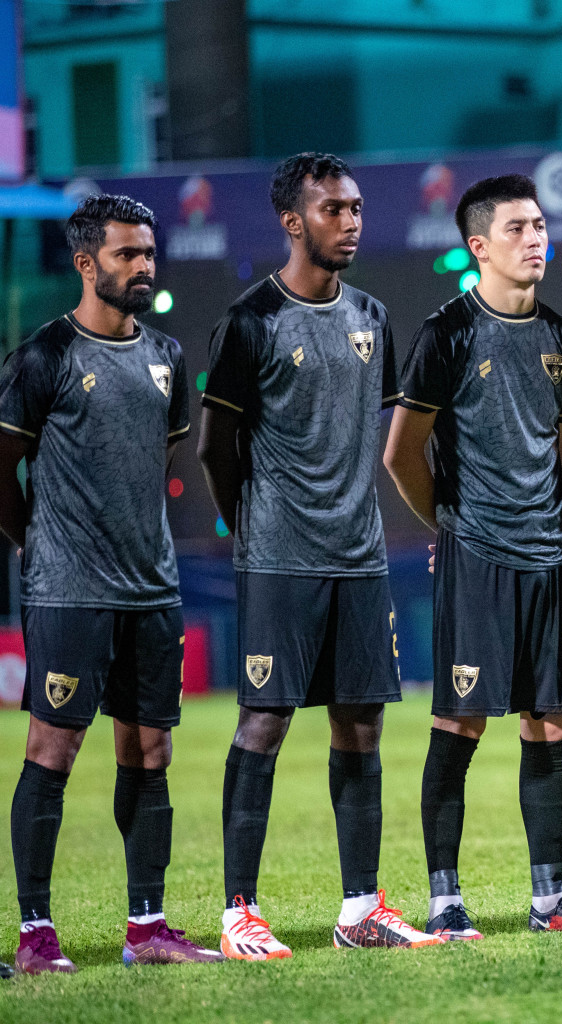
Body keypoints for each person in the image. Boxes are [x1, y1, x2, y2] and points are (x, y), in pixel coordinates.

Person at [199, 152, 442, 958]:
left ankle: (359, 909)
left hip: (359, 559)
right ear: (292, 221)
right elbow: (215, 449)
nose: (351, 221)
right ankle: (239, 913)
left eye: (357, 208)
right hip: (279, 559)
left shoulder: (372, 314)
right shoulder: (249, 322)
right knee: (263, 722)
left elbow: (380, 437)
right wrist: (256, 533)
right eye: (333, 209)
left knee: (361, 725)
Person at [385, 174, 562, 937]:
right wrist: (450, 523)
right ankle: (444, 901)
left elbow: (560, 448)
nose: (536, 238)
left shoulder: (561, 339)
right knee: (461, 722)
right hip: (476, 558)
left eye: (541, 225)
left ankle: (550, 900)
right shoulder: (446, 334)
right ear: (479, 246)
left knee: (550, 724)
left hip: (547, 559)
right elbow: (401, 454)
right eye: (518, 228)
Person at [3, 194, 222, 972]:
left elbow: (159, 460)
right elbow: (2, 471)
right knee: (52, 749)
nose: (143, 267)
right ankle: (35, 937)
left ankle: (149, 930)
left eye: (149, 253)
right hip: (69, 592)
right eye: (127, 255)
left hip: (151, 591)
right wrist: (36, 541)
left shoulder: (166, 357)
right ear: (86, 262)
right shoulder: (43, 357)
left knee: (150, 750)